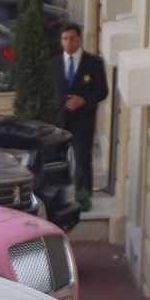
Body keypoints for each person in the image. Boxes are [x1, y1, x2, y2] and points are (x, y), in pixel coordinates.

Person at [52, 22, 110, 199]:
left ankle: (83, 197)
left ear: (79, 38)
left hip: (83, 120)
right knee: (58, 162)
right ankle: (59, 197)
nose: (69, 42)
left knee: (83, 161)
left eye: (72, 38)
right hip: (60, 121)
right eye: (65, 38)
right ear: (61, 41)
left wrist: (83, 100)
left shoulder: (93, 63)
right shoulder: (53, 64)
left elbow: (102, 91)